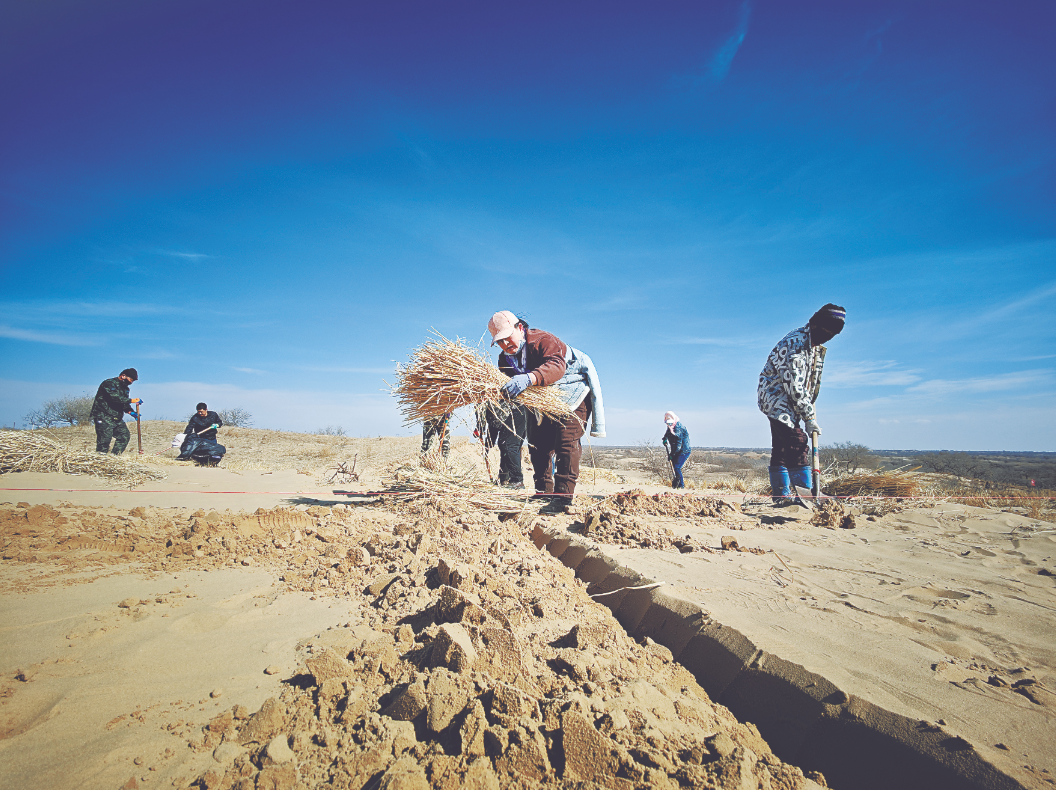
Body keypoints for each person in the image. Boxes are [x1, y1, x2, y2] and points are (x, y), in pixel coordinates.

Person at [488, 311, 606, 507]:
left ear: (520, 328)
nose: (505, 345)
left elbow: (556, 366)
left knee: (566, 442)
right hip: (540, 400)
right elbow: (508, 382)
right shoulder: (504, 360)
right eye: (499, 342)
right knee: (537, 443)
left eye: (507, 338)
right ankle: (543, 492)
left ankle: (562, 499)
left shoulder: (542, 340)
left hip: (570, 392)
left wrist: (529, 378)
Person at [758, 303, 846, 505]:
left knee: (780, 448)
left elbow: (807, 383)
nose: (829, 336)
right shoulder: (795, 344)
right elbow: (794, 385)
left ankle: (781, 496)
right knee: (797, 442)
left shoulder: (811, 346)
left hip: (789, 401)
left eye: (833, 334)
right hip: (776, 398)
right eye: (827, 331)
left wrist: (809, 404)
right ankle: (804, 495)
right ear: (815, 325)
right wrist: (809, 416)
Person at [475, 401, 529, 488]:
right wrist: (488, 444)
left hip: (516, 413)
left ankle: (517, 480)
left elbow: (482, 410)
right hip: (519, 414)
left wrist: (480, 427)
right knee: (504, 445)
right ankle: (504, 479)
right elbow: (492, 426)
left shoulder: (485, 399)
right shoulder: (492, 409)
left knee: (508, 444)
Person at [90, 368, 141, 454]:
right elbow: (114, 398)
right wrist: (131, 400)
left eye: (133, 381)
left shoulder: (125, 389)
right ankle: (100, 460)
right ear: (123, 376)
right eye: (131, 379)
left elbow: (123, 403)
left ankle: (114, 457)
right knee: (104, 441)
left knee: (124, 436)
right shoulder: (109, 383)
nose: (131, 382)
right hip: (103, 416)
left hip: (116, 418)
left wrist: (130, 411)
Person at [662, 411, 691, 489]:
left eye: (670, 423)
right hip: (676, 451)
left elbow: (678, 445)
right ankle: (676, 484)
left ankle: (681, 486)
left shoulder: (678, 428)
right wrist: (665, 438)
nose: (669, 425)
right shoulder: (670, 426)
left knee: (677, 467)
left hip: (683, 451)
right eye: (667, 423)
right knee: (674, 467)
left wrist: (672, 454)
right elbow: (667, 433)